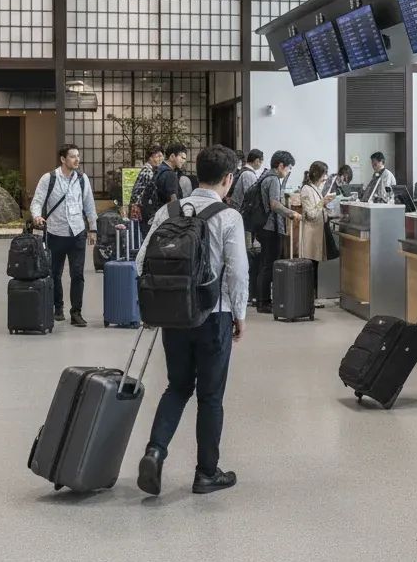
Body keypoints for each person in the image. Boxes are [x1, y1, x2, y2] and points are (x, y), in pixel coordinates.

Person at [135, 144, 247, 496]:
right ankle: (206, 473)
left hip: (174, 317)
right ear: (228, 178)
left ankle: (154, 451)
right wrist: (240, 314)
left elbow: (141, 264)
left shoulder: (168, 212)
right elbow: (238, 273)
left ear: (197, 172)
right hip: (214, 316)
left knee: (177, 386)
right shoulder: (228, 216)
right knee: (210, 396)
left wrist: (155, 307)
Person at [30, 144, 98, 327]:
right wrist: (36, 216)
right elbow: (37, 201)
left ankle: (76, 312)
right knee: (54, 274)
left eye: (78, 156)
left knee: (78, 274)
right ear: (63, 159)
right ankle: (57, 307)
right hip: (55, 233)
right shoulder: (49, 178)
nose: (77, 160)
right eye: (73, 156)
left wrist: (93, 229)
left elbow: (89, 205)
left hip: (77, 233)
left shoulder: (82, 179)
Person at [254, 150, 300, 314]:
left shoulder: (265, 177)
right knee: (269, 265)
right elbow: (274, 204)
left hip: (263, 227)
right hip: (270, 227)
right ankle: (264, 302)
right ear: (280, 166)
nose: (288, 171)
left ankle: (262, 300)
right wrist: (291, 213)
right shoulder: (273, 179)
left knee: (265, 264)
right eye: (288, 168)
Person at [298, 161, 336, 303]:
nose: (325, 178)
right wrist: (323, 202)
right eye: (324, 174)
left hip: (317, 233)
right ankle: (309, 298)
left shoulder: (315, 188)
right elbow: (311, 214)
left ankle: (311, 298)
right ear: (317, 174)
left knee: (315, 266)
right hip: (311, 234)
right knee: (311, 267)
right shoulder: (307, 190)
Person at [128, 144, 164, 224]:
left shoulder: (147, 170)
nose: (160, 159)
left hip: (139, 207)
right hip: (141, 209)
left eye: (161, 156)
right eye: (157, 156)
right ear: (150, 158)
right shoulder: (147, 172)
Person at [153, 142, 188, 209]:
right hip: (166, 216)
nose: (184, 161)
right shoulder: (170, 174)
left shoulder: (158, 169)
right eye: (182, 158)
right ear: (172, 156)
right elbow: (174, 202)